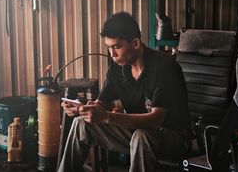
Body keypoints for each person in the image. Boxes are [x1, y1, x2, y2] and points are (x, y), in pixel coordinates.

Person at [58, 11, 191, 172]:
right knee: (82, 124)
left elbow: (156, 120)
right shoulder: (117, 68)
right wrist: (84, 109)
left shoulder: (164, 67)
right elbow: (102, 103)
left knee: (141, 137)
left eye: (117, 47)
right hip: (136, 133)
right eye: (109, 48)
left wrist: (108, 116)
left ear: (135, 43)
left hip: (173, 138)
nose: (112, 54)